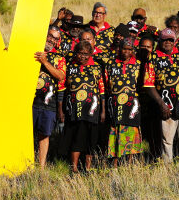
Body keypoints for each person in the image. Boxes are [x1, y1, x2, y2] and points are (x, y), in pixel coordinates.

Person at [143, 28, 179, 162]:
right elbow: (149, 85)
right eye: (165, 40)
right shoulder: (153, 57)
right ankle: (167, 166)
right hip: (166, 104)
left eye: (171, 40)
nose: (168, 42)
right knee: (167, 139)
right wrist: (162, 104)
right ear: (159, 40)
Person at [58, 41, 105, 173]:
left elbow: (101, 90)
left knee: (91, 139)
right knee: (76, 138)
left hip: (92, 111)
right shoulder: (69, 66)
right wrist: (60, 109)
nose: (82, 57)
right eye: (79, 53)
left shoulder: (96, 67)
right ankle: (74, 168)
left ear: (90, 54)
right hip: (74, 110)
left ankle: (88, 168)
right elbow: (62, 88)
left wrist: (103, 111)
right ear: (75, 53)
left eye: (85, 54)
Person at [105, 38, 143, 166]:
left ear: (133, 50)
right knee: (116, 130)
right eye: (124, 49)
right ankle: (115, 163)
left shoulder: (138, 64)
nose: (126, 52)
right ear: (119, 49)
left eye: (129, 49)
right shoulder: (111, 63)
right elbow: (106, 83)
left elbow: (141, 84)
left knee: (131, 131)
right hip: (115, 104)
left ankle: (129, 163)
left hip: (132, 104)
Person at [32, 26, 66, 168]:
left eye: (55, 38)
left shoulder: (59, 57)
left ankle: (41, 166)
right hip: (30, 101)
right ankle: (25, 163)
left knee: (44, 135)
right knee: (26, 133)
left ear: (58, 41)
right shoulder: (33, 51)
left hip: (48, 102)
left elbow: (61, 76)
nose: (51, 40)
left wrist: (45, 62)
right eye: (50, 36)